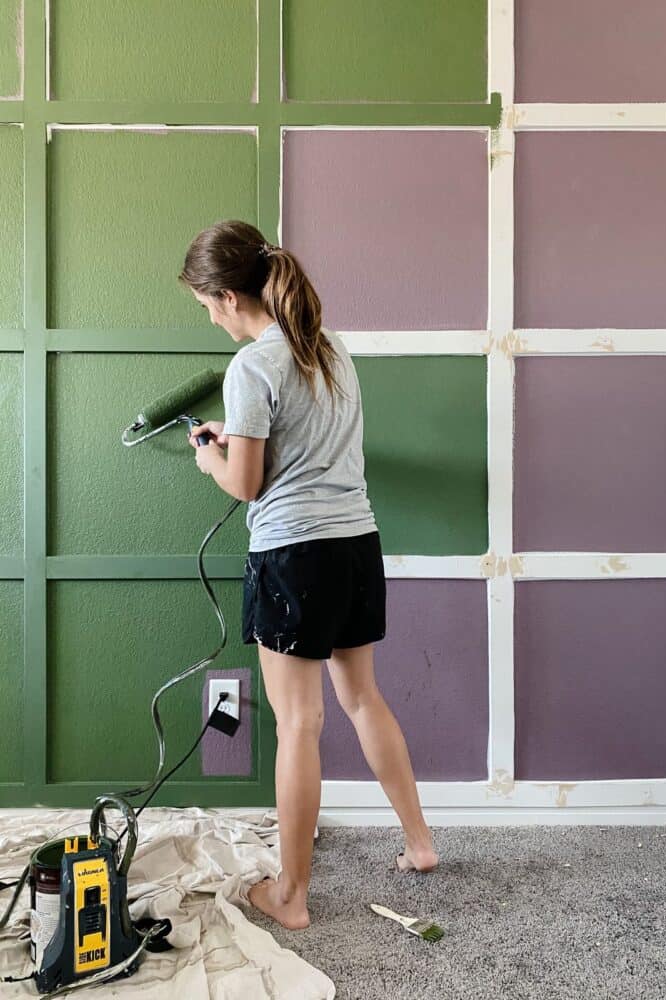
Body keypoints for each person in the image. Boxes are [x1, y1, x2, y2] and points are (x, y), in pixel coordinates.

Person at [178, 219, 438, 931]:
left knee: (300, 722)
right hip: (356, 545)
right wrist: (243, 443)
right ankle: (419, 845)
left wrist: (212, 459)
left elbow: (250, 484)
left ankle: (290, 894)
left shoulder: (251, 367)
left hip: (295, 555)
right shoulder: (329, 348)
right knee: (363, 700)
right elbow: (309, 447)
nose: (210, 319)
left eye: (205, 306)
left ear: (227, 296)